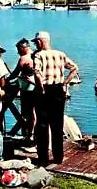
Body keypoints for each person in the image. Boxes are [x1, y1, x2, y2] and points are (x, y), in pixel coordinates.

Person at [31, 31, 78, 166]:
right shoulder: (60, 54)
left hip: (45, 90)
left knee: (42, 125)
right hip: (58, 90)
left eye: (36, 42)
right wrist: (65, 83)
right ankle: (58, 157)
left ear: (40, 41)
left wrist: (41, 88)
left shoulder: (39, 55)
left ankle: (43, 158)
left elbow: (37, 73)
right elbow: (74, 68)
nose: (36, 45)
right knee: (57, 125)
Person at [7, 38, 36, 143]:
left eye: (19, 49)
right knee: (33, 112)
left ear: (25, 48)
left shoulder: (24, 58)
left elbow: (15, 73)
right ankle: (31, 133)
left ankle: (29, 134)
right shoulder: (36, 55)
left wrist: (6, 80)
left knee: (28, 113)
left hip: (28, 88)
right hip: (35, 87)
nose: (18, 52)